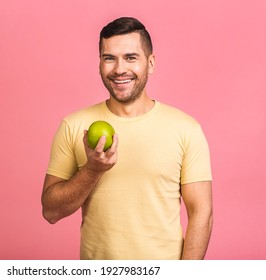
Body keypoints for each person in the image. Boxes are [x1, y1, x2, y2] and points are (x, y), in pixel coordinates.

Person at [41, 17, 213, 260]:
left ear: (150, 63)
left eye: (131, 57)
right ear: (99, 63)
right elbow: (50, 211)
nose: (119, 69)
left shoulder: (186, 129)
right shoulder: (74, 125)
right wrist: (92, 170)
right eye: (109, 58)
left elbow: (201, 213)